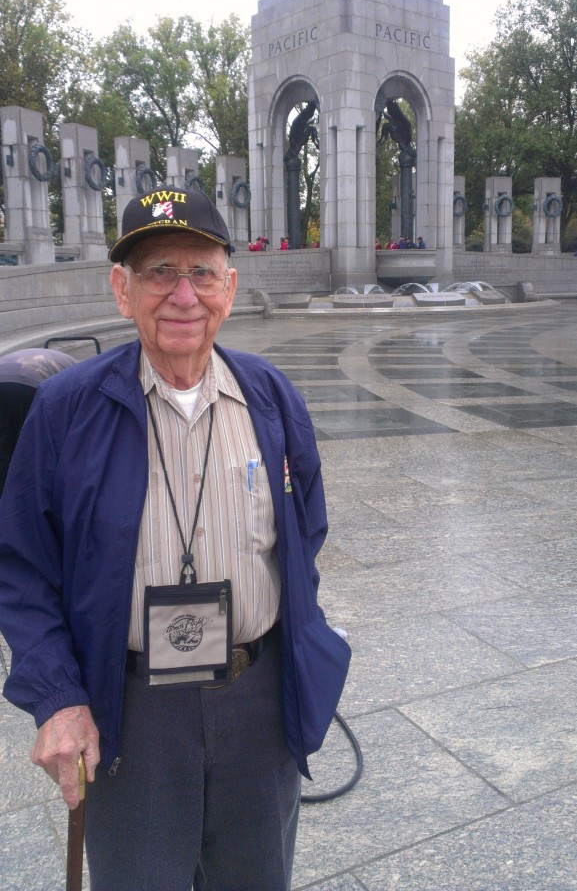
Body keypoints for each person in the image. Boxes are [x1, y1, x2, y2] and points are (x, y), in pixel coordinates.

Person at [0, 187, 350, 891]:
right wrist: (60, 698)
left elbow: (302, 533)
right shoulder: (67, 409)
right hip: (128, 710)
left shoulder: (272, 396)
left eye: (200, 272)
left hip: (257, 698)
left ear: (229, 286)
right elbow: (21, 569)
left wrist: (304, 659)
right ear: (121, 290)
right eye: (158, 271)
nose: (181, 294)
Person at [0, 346, 77, 493]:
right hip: (32, 383)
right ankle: (26, 491)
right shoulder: (83, 372)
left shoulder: (66, 364)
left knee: (5, 440)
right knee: (36, 441)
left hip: (5, 378)